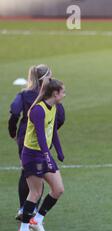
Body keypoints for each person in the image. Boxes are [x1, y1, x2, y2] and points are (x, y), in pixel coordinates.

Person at [8, 65, 65, 221]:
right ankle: (30, 214)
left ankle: (24, 209)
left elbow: (14, 112)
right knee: (35, 178)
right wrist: (50, 132)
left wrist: (13, 133)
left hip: (23, 138)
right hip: (35, 142)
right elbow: (60, 119)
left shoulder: (24, 94)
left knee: (27, 172)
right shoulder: (49, 98)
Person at [17, 78, 66, 231]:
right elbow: (40, 135)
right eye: (63, 91)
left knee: (58, 189)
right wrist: (47, 156)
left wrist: (58, 151)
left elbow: (52, 132)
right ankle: (23, 230)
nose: (64, 94)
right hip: (32, 155)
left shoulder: (54, 107)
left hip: (43, 154)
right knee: (36, 192)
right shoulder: (38, 110)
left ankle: (37, 220)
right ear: (55, 93)